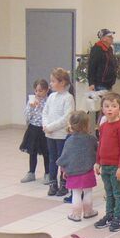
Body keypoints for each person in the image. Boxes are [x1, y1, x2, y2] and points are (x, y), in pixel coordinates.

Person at [93, 93, 120, 232]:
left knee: (117, 193)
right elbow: (100, 144)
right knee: (108, 193)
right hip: (105, 165)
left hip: (116, 167)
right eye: (106, 106)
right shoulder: (103, 126)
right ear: (102, 108)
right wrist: (97, 162)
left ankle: (117, 218)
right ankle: (109, 215)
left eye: (113, 106)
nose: (109, 109)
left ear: (119, 108)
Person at [56, 111, 98, 222]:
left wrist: (64, 169)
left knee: (76, 193)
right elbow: (96, 152)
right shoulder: (91, 139)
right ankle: (89, 212)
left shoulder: (69, 141)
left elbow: (65, 157)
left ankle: (76, 215)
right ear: (87, 124)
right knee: (88, 192)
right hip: (88, 171)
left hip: (73, 172)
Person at [43, 68, 75, 197]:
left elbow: (67, 117)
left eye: (53, 81)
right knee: (52, 159)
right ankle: (52, 183)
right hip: (50, 134)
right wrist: (45, 125)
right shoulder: (51, 96)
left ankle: (64, 183)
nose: (50, 84)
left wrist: (50, 127)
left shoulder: (68, 98)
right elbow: (45, 112)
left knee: (62, 159)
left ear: (62, 83)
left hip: (61, 134)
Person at [20, 79, 50, 184]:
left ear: (46, 90)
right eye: (36, 91)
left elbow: (48, 115)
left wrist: (40, 106)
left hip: (44, 129)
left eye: (41, 91)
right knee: (32, 151)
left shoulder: (49, 101)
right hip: (33, 128)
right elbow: (27, 117)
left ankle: (48, 173)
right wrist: (32, 108)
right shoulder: (32, 100)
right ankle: (31, 172)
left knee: (46, 152)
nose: (38, 93)